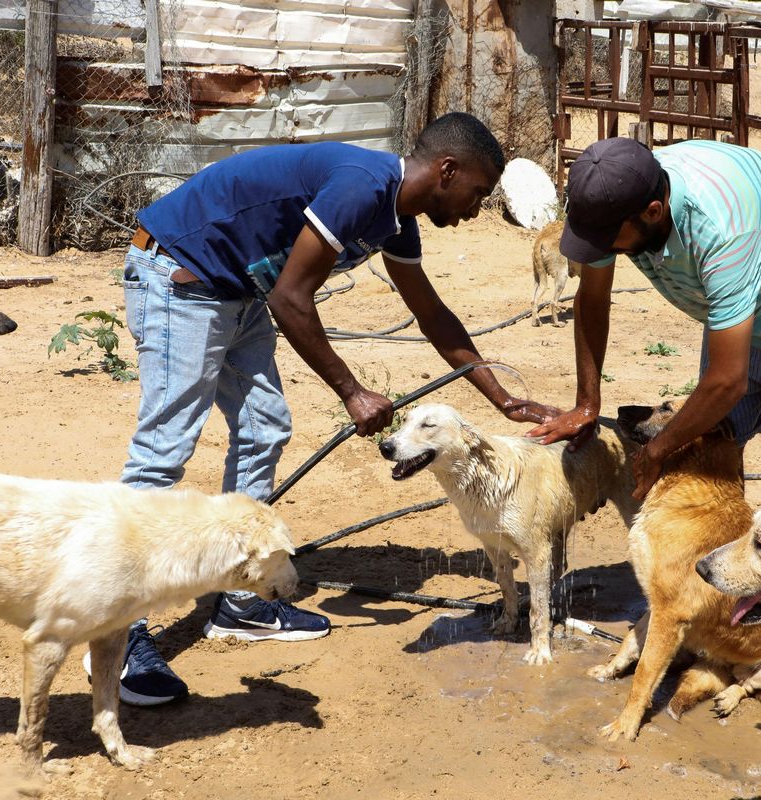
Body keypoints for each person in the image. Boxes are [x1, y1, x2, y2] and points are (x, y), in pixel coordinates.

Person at [97, 112, 558, 707]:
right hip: (182, 278)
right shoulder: (363, 185)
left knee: (265, 427)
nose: (476, 207)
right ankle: (113, 634)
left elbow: (433, 314)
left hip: (235, 291)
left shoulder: (396, 220)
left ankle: (240, 599)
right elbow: (292, 299)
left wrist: (503, 398)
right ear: (447, 171)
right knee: (165, 448)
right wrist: (352, 390)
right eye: (477, 191)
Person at [529, 136, 761, 713]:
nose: (602, 251)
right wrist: (588, 403)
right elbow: (593, 298)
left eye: (610, 241)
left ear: (654, 213)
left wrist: (659, 448)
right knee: (712, 453)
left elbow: (725, 383)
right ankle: (727, 611)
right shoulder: (616, 198)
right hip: (736, 317)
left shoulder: (722, 224)